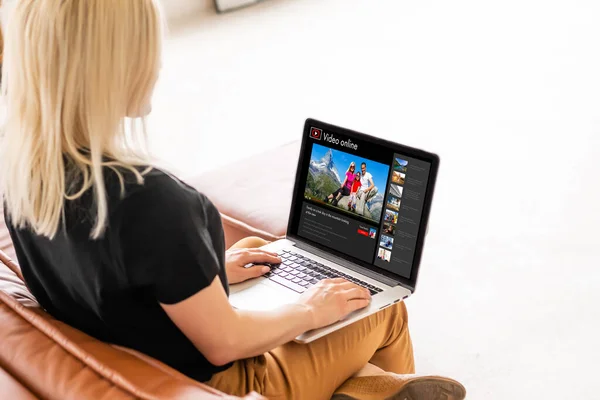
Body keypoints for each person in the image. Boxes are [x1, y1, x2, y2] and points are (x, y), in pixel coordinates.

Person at [0, 1, 466, 399]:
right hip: (226, 381)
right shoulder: (152, 203)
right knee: (382, 308)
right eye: (146, 48)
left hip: (145, 350)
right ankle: (385, 386)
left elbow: (112, 274)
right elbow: (225, 344)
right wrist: (311, 310)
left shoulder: (25, 173)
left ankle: (369, 386)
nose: (157, 65)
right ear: (113, 66)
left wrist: (210, 271)